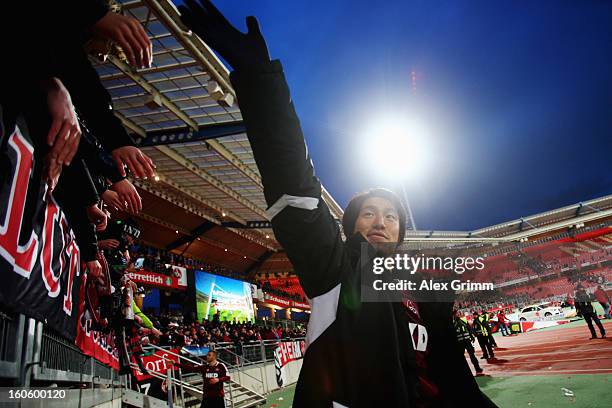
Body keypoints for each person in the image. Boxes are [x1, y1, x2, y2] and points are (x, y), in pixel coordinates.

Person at [178, 1, 497, 407]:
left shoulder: (420, 293)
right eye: (369, 213)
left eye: (391, 215)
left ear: (401, 232)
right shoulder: (335, 271)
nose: (381, 221)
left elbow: (451, 376)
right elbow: (294, 181)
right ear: (350, 227)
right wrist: (259, 79)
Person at [453, 311, 483, 375]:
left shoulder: (464, 320)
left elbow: (469, 328)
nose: (458, 314)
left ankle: (477, 368)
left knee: (472, 355)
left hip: (467, 341)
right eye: (456, 314)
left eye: (458, 313)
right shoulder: (452, 322)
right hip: (460, 343)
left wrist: (472, 336)